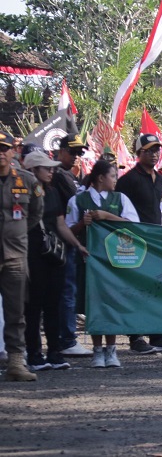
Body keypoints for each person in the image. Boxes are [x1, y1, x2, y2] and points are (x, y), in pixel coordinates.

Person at [116, 134, 162, 354]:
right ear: (139, 153)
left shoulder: (159, 178)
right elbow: (118, 210)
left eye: (157, 149)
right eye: (149, 150)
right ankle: (135, 337)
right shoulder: (127, 180)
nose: (154, 153)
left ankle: (157, 334)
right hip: (132, 242)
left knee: (157, 287)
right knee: (135, 289)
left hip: (154, 241)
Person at [67, 160, 140, 367]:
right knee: (93, 305)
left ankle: (112, 349)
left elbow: (134, 225)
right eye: (113, 176)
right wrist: (83, 223)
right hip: (89, 260)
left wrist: (107, 216)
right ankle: (97, 350)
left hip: (114, 260)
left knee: (112, 303)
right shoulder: (78, 201)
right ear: (100, 178)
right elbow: (67, 230)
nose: (115, 180)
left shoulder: (120, 199)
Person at [23, 152, 88, 372]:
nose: (51, 171)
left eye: (52, 167)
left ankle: (54, 352)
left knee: (53, 305)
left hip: (55, 254)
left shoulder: (52, 192)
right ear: (32, 170)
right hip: (32, 254)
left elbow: (60, 225)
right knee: (33, 307)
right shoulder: (23, 193)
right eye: (46, 167)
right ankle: (33, 354)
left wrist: (77, 245)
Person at [0, 132, 44, 381]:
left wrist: (15, 235)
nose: (1, 153)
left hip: (15, 255)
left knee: (16, 311)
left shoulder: (27, 181)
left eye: (4, 148)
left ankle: (16, 362)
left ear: (13, 152)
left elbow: (35, 214)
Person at [52, 134, 92, 357]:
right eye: (73, 152)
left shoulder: (72, 176)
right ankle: (66, 338)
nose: (77, 157)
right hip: (61, 240)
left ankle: (64, 338)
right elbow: (78, 205)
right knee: (66, 292)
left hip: (70, 238)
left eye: (80, 153)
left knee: (68, 291)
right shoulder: (60, 175)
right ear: (61, 151)